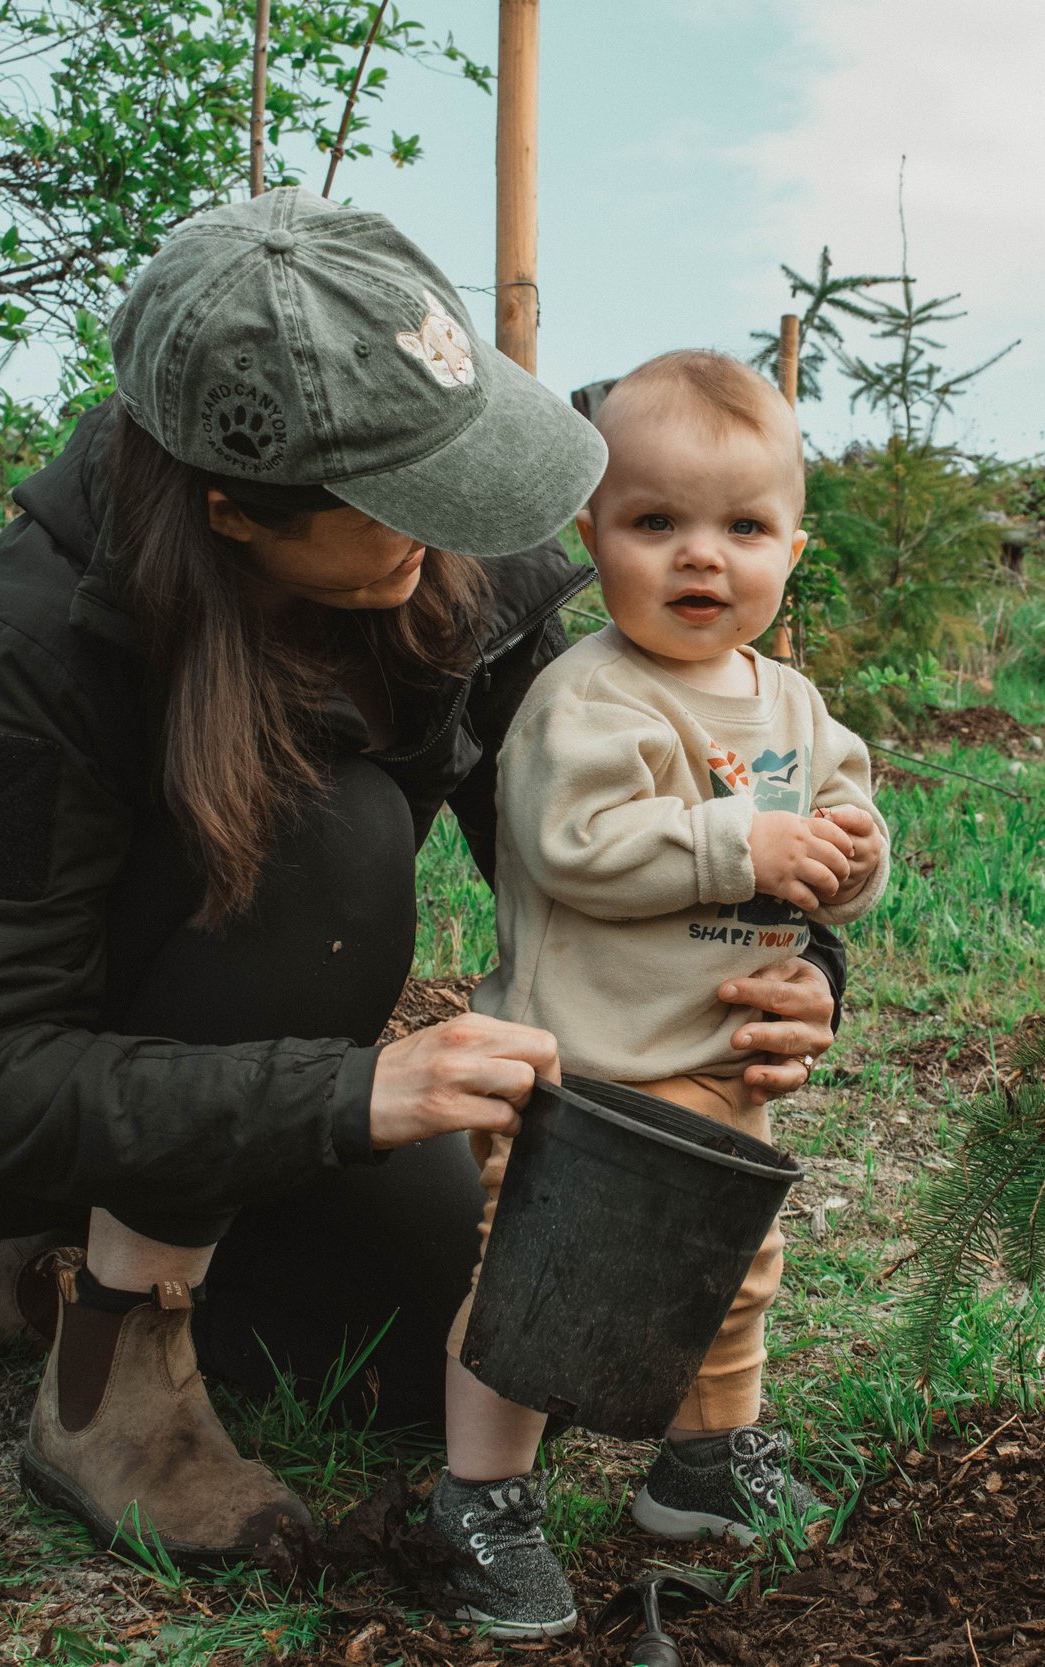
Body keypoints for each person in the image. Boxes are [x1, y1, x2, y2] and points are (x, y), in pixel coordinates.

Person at [0, 191, 846, 1569]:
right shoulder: (28, 645)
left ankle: (37, 1282)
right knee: (329, 839)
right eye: (408, 496)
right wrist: (357, 1091)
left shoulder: (456, 533)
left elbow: (582, 829)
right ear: (235, 511)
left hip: (245, 1020)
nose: (458, 524)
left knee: (465, 1352)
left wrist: (790, 959)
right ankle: (116, 1363)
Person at [429, 351, 890, 1638]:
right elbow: (576, 843)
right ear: (593, 538)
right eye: (656, 523)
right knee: (538, 1282)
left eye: (742, 526)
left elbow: (840, 823)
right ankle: (483, 1493)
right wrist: (741, 843)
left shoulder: (789, 700)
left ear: (794, 545)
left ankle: (703, 1464)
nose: (702, 558)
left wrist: (848, 856)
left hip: (721, 1056)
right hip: (579, 1066)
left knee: (732, 1265)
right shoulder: (587, 696)